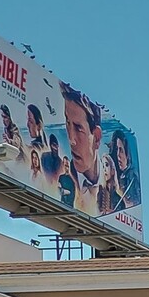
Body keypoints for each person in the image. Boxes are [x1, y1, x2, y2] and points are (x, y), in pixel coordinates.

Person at [61, 84, 105, 215]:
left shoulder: (113, 187)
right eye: (67, 123)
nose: (71, 140)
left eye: (78, 128)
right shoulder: (63, 177)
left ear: (96, 137)